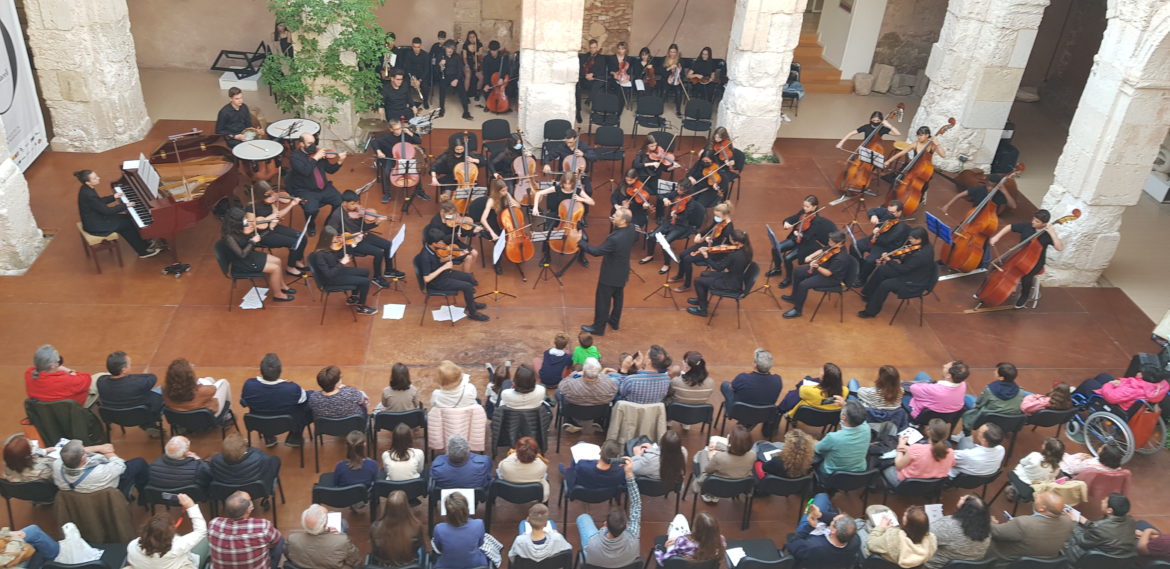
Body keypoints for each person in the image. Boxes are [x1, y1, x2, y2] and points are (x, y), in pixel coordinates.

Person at [573, 207, 637, 336]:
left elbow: (596, 252)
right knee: (618, 297)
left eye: (616, 215)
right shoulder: (631, 228)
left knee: (603, 301)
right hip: (623, 271)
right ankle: (614, 322)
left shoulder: (615, 239)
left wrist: (579, 241)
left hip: (610, 274)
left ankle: (598, 327)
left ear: (623, 220)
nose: (613, 216)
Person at [986, 208, 1066, 308]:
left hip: (1036, 261)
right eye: (1033, 219)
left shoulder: (1047, 235)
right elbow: (1009, 227)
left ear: (1044, 224)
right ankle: (989, 288)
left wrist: (1053, 233)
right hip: (1020, 255)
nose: (1033, 222)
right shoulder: (1028, 226)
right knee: (1000, 265)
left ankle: (1024, 295)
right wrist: (997, 237)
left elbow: (1060, 248)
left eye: (1037, 221)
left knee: (1026, 276)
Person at [75, 169, 160, 258]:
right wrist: (125, 205)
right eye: (95, 178)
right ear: (88, 182)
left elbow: (98, 202)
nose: (98, 178)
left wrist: (113, 197)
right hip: (95, 225)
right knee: (126, 224)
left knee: (126, 218)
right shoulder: (89, 194)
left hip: (95, 218)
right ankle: (142, 251)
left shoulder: (86, 188)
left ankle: (143, 243)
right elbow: (107, 211)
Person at [326, 190, 402, 288]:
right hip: (351, 242)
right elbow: (331, 235)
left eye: (357, 203)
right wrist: (349, 238)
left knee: (388, 245)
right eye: (353, 204)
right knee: (378, 252)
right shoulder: (336, 216)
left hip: (362, 235)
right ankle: (377, 277)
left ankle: (389, 270)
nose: (356, 206)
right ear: (344, 203)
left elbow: (363, 228)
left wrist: (376, 223)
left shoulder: (357, 211)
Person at [858, 226, 938, 318]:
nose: (909, 240)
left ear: (919, 239)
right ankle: (868, 294)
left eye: (911, 239)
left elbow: (903, 269)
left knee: (885, 285)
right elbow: (905, 257)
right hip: (910, 271)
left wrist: (888, 260)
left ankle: (870, 311)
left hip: (913, 281)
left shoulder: (921, 255)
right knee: (882, 270)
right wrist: (890, 257)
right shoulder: (922, 245)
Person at [220, 207, 296, 302]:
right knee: (275, 269)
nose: (246, 221)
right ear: (235, 222)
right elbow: (242, 255)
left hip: (249, 254)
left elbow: (248, 240)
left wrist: (269, 227)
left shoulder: (240, 228)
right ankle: (278, 295)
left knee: (278, 261)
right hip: (242, 262)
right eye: (243, 219)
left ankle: (282, 286)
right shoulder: (229, 237)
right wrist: (252, 241)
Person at [417, 227, 490, 322]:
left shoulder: (432, 247)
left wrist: (454, 256)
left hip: (443, 273)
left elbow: (439, 260)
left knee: (468, 277)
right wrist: (444, 267)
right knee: (467, 286)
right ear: (434, 243)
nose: (442, 244)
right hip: (437, 281)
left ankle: (471, 303)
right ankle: (473, 313)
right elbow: (426, 279)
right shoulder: (425, 256)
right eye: (440, 242)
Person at [577, 459, 640, 568]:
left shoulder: (593, 544)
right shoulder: (634, 538)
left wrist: (601, 532)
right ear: (626, 526)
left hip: (596, 555)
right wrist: (629, 474)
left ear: (605, 524)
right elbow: (636, 504)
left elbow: (637, 504)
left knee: (584, 518)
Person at [240, 353, 309, 447]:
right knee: (306, 405)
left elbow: (244, 403)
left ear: (261, 370)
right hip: (288, 423)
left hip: (260, 423)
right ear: (280, 370)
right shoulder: (292, 389)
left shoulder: (249, 385)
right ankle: (295, 436)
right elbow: (304, 401)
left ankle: (268, 437)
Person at [126, 493, 209, 569]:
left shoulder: (132, 546)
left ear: (145, 530)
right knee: (205, 541)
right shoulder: (177, 547)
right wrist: (191, 506)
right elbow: (201, 531)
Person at [531, 172, 594, 271]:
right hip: (559, 216)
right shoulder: (558, 188)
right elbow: (539, 193)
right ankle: (546, 257)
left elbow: (592, 202)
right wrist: (535, 207)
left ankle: (582, 257)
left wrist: (581, 198)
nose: (567, 186)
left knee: (585, 239)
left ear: (573, 183)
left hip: (573, 219)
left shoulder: (577, 190)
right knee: (548, 235)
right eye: (565, 183)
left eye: (569, 183)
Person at [987, 491, 1076, 562]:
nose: (1036, 496)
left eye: (1038, 497)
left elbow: (995, 532)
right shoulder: (1068, 521)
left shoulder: (1023, 523)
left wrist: (992, 522)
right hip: (1040, 564)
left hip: (1008, 562)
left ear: (1042, 508)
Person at [287, 133, 345, 237]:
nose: (313, 146)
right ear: (301, 144)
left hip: (324, 187)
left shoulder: (318, 152)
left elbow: (330, 170)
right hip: (306, 190)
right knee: (311, 209)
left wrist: (339, 162)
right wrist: (316, 158)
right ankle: (310, 225)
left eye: (314, 143)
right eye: (309, 143)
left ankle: (329, 223)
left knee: (340, 202)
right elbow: (306, 171)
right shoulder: (295, 158)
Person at [767, 195, 834, 284]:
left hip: (805, 244)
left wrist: (799, 234)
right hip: (795, 239)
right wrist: (787, 222)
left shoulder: (817, 221)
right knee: (775, 248)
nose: (804, 208)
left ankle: (788, 279)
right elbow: (793, 218)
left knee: (787, 258)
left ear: (814, 207)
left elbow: (809, 237)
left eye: (807, 206)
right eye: (804, 206)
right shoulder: (803, 212)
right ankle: (777, 269)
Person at [52, 439, 149, 500]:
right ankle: (144, 494)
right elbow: (120, 465)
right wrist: (108, 452)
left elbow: (69, 454)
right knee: (139, 462)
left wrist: (99, 447)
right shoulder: (99, 471)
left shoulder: (57, 465)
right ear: (83, 458)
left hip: (76, 494)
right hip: (106, 491)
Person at [783, 492, 861, 568]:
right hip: (829, 558)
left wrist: (810, 526)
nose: (832, 518)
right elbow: (837, 521)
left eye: (833, 520)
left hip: (807, 535)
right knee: (824, 500)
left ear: (834, 531)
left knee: (821, 497)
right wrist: (820, 515)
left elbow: (792, 545)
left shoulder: (811, 547)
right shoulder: (855, 540)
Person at [782, 230, 849, 319]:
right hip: (823, 267)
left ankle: (797, 310)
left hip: (831, 278)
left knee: (803, 285)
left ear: (840, 244)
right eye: (829, 241)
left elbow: (828, 273)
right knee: (797, 272)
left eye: (831, 242)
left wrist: (817, 267)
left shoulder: (841, 258)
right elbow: (822, 249)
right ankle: (794, 297)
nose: (829, 243)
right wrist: (810, 257)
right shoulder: (833, 246)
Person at [208, 491, 284, 569]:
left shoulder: (213, 524)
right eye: (250, 500)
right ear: (248, 510)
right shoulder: (263, 526)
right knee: (280, 540)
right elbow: (276, 541)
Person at [686, 229, 752, 318]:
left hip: (731, 284)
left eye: (730, 240)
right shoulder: (746, 250)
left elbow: (718, 268)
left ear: (735, 241)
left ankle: (702, 310)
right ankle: (702, 300)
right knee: (704, 274)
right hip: (735, 277)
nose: (729, 242)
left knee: (698, 281)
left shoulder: (735, 255)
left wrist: (706, 256)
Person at [246, 182, 309, 275]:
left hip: (273, 228)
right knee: (294, 243)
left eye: (272, 193)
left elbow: (278, 215)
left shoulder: (270, 202)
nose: (273, 196)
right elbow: (251, 226)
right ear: (260, 195)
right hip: (262, 235)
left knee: (302, 237)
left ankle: (297, 260)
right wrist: (270, 218)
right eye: (269, 195)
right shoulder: (250, 207)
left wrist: (292, 204)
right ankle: (290, 267)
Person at [306, 237, 376, 315]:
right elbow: (329, 274)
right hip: (331, 279)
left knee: (365, 272)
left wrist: (353, 243)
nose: (338, 242)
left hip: (337, 270)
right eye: (335, 241)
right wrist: (342, 263)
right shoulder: (320, 255)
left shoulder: (330, 249)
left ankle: (353, 297)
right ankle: (361, 307)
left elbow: (343, 254)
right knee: (365, 281)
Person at [1062, 493, 1137, 563]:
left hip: (1095, 560)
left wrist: (1074, 522)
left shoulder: (1099, 527)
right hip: (1118, 559)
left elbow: (1082, 541)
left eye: (1105, 501)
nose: (1102, 501)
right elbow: (1101, 530)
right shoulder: (1130, 520)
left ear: (1109, 510)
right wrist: (1083, 520)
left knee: (1067, 532)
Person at [286, 504, 363, 569]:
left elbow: (289, 556)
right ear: (325, 524)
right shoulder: (342, 541)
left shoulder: (292, 539)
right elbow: (355, 561)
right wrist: (339, 536)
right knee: (343, 523)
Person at [371, 119, 427, 206]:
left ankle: (420, 191)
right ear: (391, 129)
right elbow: (374, 142)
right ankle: (387, 194)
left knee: (415, 171)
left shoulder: (406, 134)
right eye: (396, 129)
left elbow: (418, 141)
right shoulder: (386, 137)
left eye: (400, 128)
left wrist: (409, 133)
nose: (399, 130)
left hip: (406, 158)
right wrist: (378, 151)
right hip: (393, 158)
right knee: (387, 172)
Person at [885, 126, 948, 204]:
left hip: (924, 172)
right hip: (913, 167)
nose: (919, 137)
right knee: (899, 180)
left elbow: (943, 155)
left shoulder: (932, 145)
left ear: (927, 135)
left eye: (921, 135)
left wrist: (937, 143)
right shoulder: (915, 144)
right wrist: (889, 161)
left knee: (920, 188)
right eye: (918, 135)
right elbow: (902, 153)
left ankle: (917, 199)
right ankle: (898, 200)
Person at [692, 424, 754, 502]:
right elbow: (738, 450)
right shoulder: (752, 455)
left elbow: (707, 470)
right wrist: (718, 445)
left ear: (731, 442)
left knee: (702, 453)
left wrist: (708, 452)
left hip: (714, 485)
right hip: (737, 488)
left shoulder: (719, 457)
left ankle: (710, 494)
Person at [927, 495, 992, 569]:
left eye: (964, 499)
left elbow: (925, 534)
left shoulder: (949, 526)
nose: (961, 497)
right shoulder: (987, 533)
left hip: (934, 565)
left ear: (966, 511)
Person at [885, 418, 955, 487]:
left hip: (906, 484)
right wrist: (910, 450)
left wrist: (900, 446)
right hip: (932, 486)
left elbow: (898, 466)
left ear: (928, 431)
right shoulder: (951, 453)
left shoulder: (916, 449)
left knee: (885, 466)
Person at [863, 504, 938, 568]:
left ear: (907, 525)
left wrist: (881, 527)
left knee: (860, 526)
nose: (904, 514)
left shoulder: (893, 538)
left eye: (905, 515)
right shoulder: (932, 542)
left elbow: (871, 543)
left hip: (880, 563)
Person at [856, 200, 911, 284]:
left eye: (892, 212)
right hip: (875, 239)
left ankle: (862, 279)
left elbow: (886, 240)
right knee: (855, 246)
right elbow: (872, 210)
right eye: (888, 211)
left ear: (900, 212)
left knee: (870, 261)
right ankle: (858, 267)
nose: (889, 214)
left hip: (884, 246)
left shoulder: (901, 227)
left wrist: (877, 233)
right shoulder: (888, 212)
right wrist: (873, 216)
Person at [210, 433, 281, 495]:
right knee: (275, 460)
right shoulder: (259, 457)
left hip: (227, 493)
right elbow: (271, 463)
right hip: (255, 492)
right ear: (243, 448)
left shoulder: (215, 460)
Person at [558, 358, 618, 432]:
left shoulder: (571, 384)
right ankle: (599, 421)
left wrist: (574, 374)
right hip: (599, 412)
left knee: (559, 394)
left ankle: (570, 421)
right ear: (598, 371)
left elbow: (561, 386)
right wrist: (602, 375)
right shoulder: (609, 384)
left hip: (574, 411)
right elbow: (614, 392)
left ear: (584, 371)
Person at [720, 349, 783, 420]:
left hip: (738, 413)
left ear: (755, 364)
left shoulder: (743, 377)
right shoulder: (777, 380)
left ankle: (745, 422)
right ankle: (748, 424)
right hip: (763, 415)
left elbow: (732, 388)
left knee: (725, 385)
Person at [961, 362, 1025, 431]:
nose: (994, 372)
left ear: (1001, 378)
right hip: (1009, 422)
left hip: (988, 419)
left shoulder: (990, 390)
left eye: (996, 371)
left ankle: (966, 434)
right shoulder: (1021, 391)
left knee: (967, 398)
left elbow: (978, 404)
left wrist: (976, 404)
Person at [25, 345, 95, 407]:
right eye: (57, 361)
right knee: (98, 378)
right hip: (72, 412)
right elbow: (87, 378)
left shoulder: (28, 374)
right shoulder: (66, 380)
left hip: (46, 416)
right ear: (52, 366)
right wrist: (69, 371)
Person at [162, 359, 232, 420]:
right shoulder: (202, 392)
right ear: (189, 378)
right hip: (206, 418)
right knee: (224, 382)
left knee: (209, 379)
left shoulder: (165, 388)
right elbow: (213, 389)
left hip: (179, 417)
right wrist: (196, 381)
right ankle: (227, 416)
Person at [814, 401, 870, 476]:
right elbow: (859, 416)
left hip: (831, 474)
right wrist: (844, 404)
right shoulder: (867, 428)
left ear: (843, 417)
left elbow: (818, 449)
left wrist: (811, 441)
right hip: (859, 471)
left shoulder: (833, 437)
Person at [433, 492, 487, 569]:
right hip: (475, 565)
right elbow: (480, 544)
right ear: (466, 509)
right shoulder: (479, 524)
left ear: (447, 512)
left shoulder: (439, 529)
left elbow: (439, 549)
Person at [369, 490, 424, 566]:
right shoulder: (416, 527)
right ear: (406, 506)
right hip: (410, 565)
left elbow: (375, 553)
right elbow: (419, 546)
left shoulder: (375, 527)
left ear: (387, 506)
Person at [906, 361, 970, 420]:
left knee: (905, 393)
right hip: (948, 417)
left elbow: (913, 388)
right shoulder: (963, 385)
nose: (944, 365)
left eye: (946, 366)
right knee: (921, 375)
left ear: (948, 376)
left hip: (923, 416)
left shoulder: (933, 390)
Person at [1008, 438, 1065, 505]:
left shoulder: (1035, 455)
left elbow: (1022, 462)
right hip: (1033, 488)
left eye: (1044, 444)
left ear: (1047, 450)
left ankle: (1013, 489)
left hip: (1021, 477)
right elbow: (1050, 479)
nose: (1042, 444)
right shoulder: (1056, 469)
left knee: (1020, 466)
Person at [781, 362, 848, 417]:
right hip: (827, 418)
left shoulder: (809, 390)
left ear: (823, 378)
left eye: (822, 371)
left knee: (793, 393)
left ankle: (782, 410)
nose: (820, 370)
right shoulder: (845, 391)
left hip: (806, 415)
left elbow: (800, 388)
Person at [655, 512, 725, 563]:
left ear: (696, 529)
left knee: (679, 517)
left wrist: (658, 549)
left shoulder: (684, 542)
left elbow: (665, 561)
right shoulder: (721, 541)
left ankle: (668, 535)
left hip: (682, 563)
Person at [433, 40, 471, 119]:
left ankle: (466, 112)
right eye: (448, 48)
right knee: (442, 90)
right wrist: (440, 65)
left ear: (454, 49)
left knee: (462, 92)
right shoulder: (440, 56)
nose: (450, 50)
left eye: (452, 48)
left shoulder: (457, 56)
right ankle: (441, 109)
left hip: (455, 77)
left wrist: (456, 79)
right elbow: (436, 71)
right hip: (445, 77)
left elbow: (460, 70)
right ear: (445, 48)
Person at [835, 110, 902, 154]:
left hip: (876, 148)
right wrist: (841, 143)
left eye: (878, 121)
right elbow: (851, 133)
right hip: (865, 145)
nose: (875, 122)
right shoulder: (866, 127)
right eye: (874, 120)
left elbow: (897, 134)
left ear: (881, 121)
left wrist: (889, 125)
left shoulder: (882, 129)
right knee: (854, 159)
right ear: (870, 119)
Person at [576, 39, 605, 123]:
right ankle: (578, 111)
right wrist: (585, 75)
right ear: (589, 48)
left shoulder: (601, 58)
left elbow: (601, 70)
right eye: (591, 48)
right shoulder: (584, 57)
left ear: (597, 47)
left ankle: (591, 104)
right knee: (577, 87)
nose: (593, 50)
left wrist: (593, 74)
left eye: (595, 47)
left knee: (599, 83)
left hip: (594, 80)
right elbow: (580, 69)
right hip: (584, 79)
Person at [399, 37, 431, 106]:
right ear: (412, 46)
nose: (416, 49)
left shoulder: (425, 55)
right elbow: (406, 68)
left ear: (421, 46)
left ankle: (425, 101)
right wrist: (412, 79)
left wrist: (419, 80)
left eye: (418, 47)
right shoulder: (408, 54)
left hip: (422, 76)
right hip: (411, 75)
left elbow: (426, 70)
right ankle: (408, 101)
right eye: (414, 47)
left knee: (425, 86)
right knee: (405, 84)